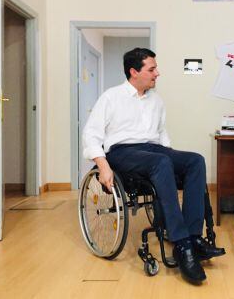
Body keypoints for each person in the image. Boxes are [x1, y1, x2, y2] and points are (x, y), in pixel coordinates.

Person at [82, 48, 225, 284]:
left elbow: (161, 135)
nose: (157, 73)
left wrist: (174, 159)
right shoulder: (111, 97)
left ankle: (193, 237)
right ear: (134, 72)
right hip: (121, 152)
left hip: (154, 150)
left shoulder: (156, 100)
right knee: (161, 161)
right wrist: (102, 165)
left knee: (195, 160)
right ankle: (182, 245)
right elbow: (91, 134)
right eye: (151, 69)